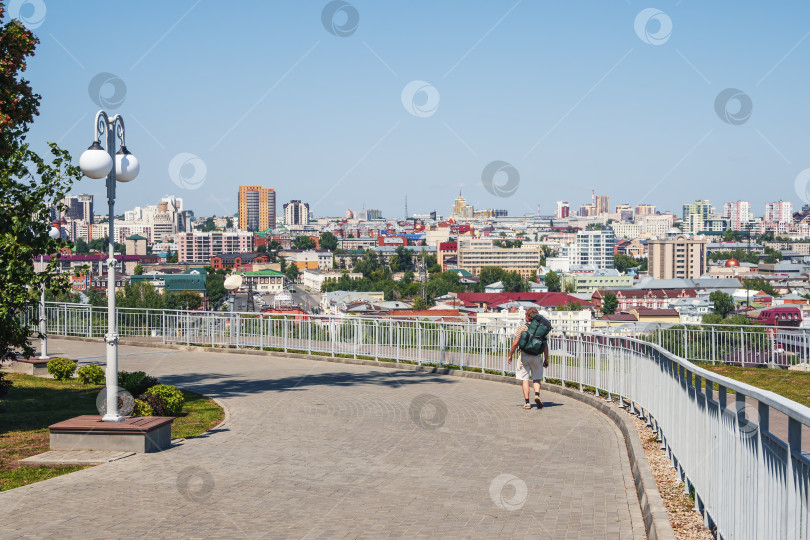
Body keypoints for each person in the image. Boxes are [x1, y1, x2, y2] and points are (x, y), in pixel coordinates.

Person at [507, 308, 550, 409]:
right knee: (536, 378)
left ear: (527, 317)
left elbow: (515, 343)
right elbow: (545, 345)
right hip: (536, 356)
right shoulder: (541, 329)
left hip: (524, 355)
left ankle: (527, 403)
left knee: (525, 379)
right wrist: (546, 359)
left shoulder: (522, 327)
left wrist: (510, 355)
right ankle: (537, 395)